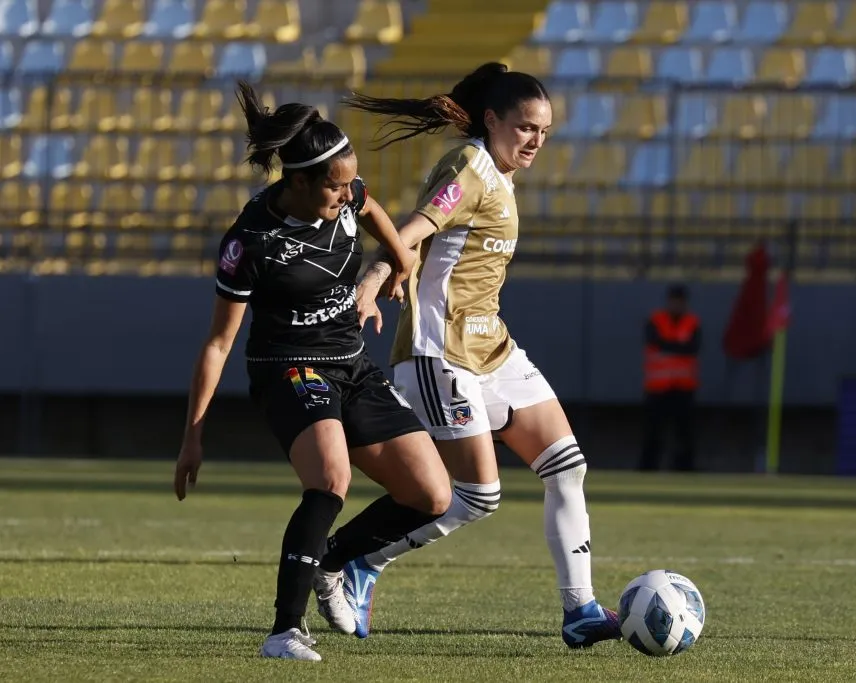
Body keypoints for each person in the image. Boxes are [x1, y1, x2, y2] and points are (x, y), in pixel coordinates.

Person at [318, 62, 621, 649]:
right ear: (492, 120)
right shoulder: (471, 165)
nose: (535, 139)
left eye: (545, 132)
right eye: (526, 127)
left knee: (567, 467)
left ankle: (580, 610)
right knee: (479, 496)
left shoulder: (500, 176)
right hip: (442, 352)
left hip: (493, 347)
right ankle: (356, 560)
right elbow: (419, 224)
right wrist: (381, 268)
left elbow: (438, 235)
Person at [173, 81, 453, 662]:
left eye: (351, 182)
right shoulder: (250, 243)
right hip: (289, 368)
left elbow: (375, 211)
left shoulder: (345, 196)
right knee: (330, 480)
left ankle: (329, 559)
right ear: (296, 181)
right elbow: (218, 343)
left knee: (432, 494)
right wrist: (193, 435)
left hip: (351, 362)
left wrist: (397, 268)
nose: (348, 193)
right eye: (335, 184)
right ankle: (284, 633)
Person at [638, 284, 701, 471]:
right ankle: (647, 469)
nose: (677, 304)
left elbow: (693, 348)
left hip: (684, 388)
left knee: (685, 433)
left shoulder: (692, 322)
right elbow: (655, 342)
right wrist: (678, 346)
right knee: (653, 432)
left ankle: (685, 469)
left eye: (680, 301)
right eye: (674, 300)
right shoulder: (656, 320)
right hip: (658, 388)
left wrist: (669, 346)